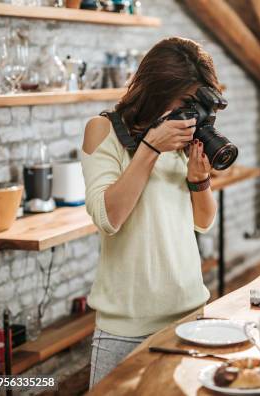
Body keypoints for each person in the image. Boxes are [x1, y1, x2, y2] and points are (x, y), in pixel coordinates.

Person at [81, 37, 219, 387]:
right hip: (125, 329)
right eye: (185, 101)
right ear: (157, 89)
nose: (189, 113)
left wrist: (199, 180)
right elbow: (109, 218)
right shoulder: (105, 131)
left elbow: (203, 222)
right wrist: (150, 149)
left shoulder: (180, 138)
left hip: (190, 317)